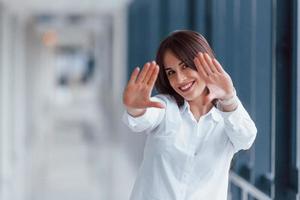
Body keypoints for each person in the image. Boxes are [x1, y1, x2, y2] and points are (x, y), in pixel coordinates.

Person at [122, 30, 257, 200]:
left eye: (185, 66)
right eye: (171, 72)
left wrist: (229, 99)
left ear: (204, 62)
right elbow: (142, 118)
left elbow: (246, 138)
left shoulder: (227, 119)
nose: (180, 79)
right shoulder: (165, 107)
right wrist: (135, 109)